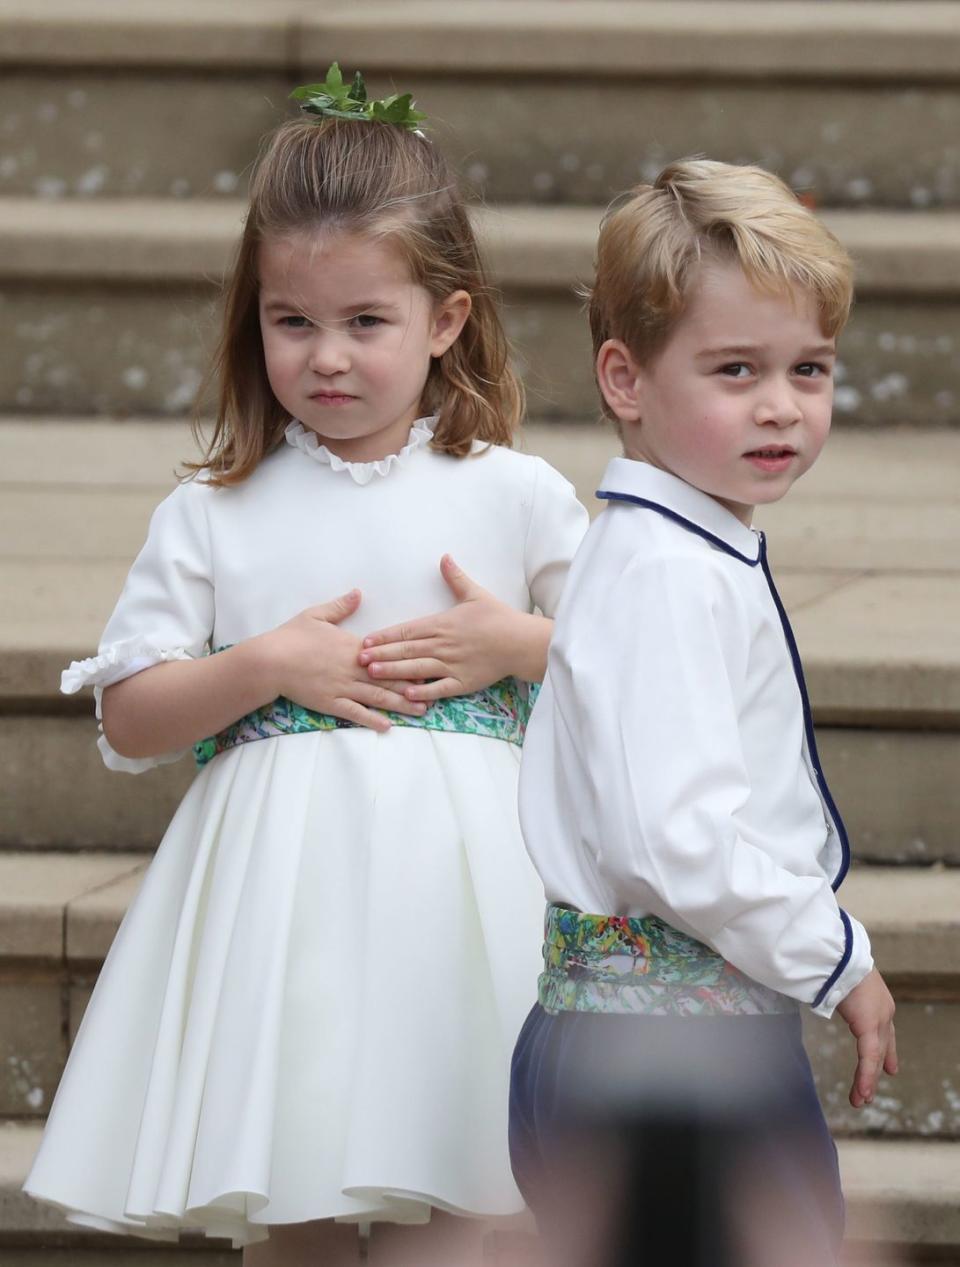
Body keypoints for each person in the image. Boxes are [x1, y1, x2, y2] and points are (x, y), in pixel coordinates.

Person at [24, 68, 588, 1266]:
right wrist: (267, 663)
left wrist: (521, 647)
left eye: (366, 323)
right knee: (299, 1192)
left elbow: (636, 675)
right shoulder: (217, 512)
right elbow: (132, 717)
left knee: (477, 1188)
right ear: (255, 318)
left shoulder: (514, 493)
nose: (327, 358)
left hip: (472, 905)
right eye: (293, 323)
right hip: (284, 916)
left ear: (445, 320)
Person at [509, 160, 898, 1267]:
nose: (781, 403)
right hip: (668, 1051)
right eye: (736, 370)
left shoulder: (672, 552)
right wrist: (835, 956)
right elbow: (676, 833)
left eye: (808, 368)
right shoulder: (668, 573)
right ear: (625, 380)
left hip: (642, 1031)